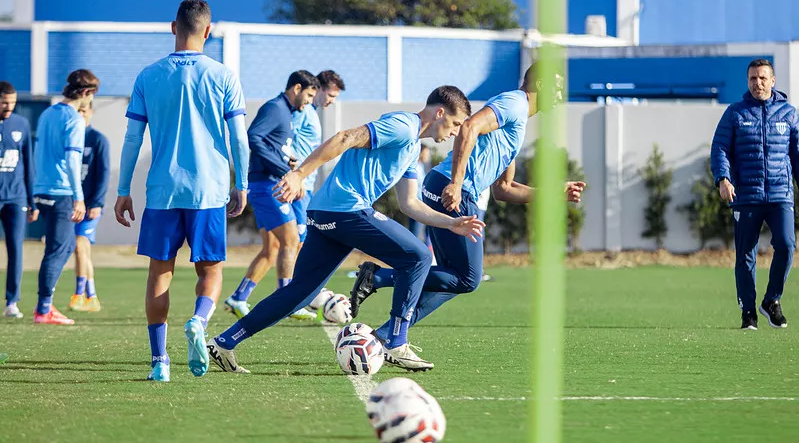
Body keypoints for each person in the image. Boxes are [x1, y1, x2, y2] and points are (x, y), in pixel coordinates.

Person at [206, 86, 484, 374]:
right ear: (439, 113)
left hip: (325, 212)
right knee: (418, 256)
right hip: (346, 210)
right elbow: (345, 138)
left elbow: (410, 203)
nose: (456, 132)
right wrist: (299, 174)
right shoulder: (403, 126)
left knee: (299, 294)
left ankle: (224, 342)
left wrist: (451, 222)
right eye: (455, 124)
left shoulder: (412, 147)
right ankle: (395, 340)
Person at [350, 66, 585, 342]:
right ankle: (379, 279)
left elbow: (504, 189)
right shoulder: (514, 103)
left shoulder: (517, 125)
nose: (561, 94)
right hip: (452, 190)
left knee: (453, 280)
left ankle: (388, 335)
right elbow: (469, 127)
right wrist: (456, 183)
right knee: (468, 279)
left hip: (449, 188)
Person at [114, 0, 250, 382]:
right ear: (208, 31)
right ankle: (199, 321)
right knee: (211, 270)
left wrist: (123, 189)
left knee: (160, 273)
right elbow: (239, 138)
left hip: (162, 191)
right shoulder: (223, 76)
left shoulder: (148, 76)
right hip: (209, 190)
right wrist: (242, 184)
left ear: (173, 27)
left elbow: (132, 139)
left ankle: (160, 362)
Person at [224, 70, 344, 320]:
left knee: (274, 247)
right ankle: (289, 300)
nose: (330, 101)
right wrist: (291, 173)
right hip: (282, 185)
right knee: (293, 241)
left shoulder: (292, 111)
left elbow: (280, 143)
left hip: (283, 182)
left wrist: (286, 163)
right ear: (310, 90)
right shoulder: (291, 110)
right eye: (328, 95)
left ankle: (240, 297)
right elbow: (257, 138)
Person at [711, 58, 799, 331]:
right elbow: (720, 148)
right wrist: (723, 179)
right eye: (752, 78)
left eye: (762, 78)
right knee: (745, 255)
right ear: (747, 81)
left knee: (787, 245)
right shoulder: (735, 113)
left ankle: (772, 301)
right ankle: (748, 312)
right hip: (746, 196)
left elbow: (797, 155)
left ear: (773, 81)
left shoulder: (789, 113)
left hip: (780, 194)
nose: (757, 83)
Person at [32, 69, 98, 325]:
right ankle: (43, 309)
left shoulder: (47, 113)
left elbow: (38, 152)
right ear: (85, 92)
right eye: (91, 96)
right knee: (59, 249)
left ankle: (44, 305)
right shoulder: (74, 119)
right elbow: (72, 161)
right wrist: (78, 198)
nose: (90, 102)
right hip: (61, 192)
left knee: (62, 246)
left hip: (42, 189)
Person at [68, 101, 110, 312]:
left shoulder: (98, 139)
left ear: (91, 112)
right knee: (81, 250)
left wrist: (97, 203)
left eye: (83, 111)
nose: (80, 114)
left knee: (79, 245)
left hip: (90, 205)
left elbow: (104, 174)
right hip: (71, 204)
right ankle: (91, 296)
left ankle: (79, 294)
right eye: (77, 111)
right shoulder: (69, 137)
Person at [0, 81, 37, 318]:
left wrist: (32, 201)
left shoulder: (21, 124)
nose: (9, 107)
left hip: (16, 199)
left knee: (15, 249)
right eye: (4, 102)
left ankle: (12, 302)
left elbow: (28, 164)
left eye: (12, 103)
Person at [406, 145, 431, 241]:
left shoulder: (421, 166)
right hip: (417, 203)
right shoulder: (415, 167)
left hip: (421, 202)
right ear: (420, 153)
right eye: (426, 153)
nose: (428, 156)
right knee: (415, 231)